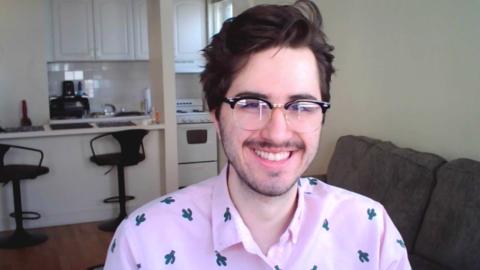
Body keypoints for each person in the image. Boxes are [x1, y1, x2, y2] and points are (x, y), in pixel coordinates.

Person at [104, 1, 411, 269]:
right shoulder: (143, 243)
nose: (277, 133)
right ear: (216, 115)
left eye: (301, 106)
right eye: (251, 104)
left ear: (321, 115)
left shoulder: (372, 230)